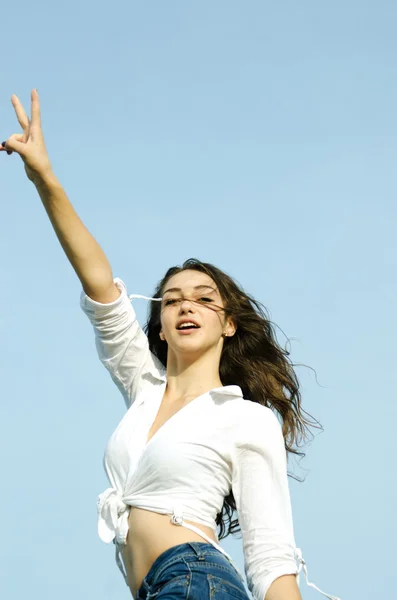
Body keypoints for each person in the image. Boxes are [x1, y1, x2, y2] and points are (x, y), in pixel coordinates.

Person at [2, 90, 341, 600]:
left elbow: (271, 555)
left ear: (228, 324)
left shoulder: (246, 419)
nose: (186, 306)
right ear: (159, 325)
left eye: (205, 299)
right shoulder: (143, 388)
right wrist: (45, 179)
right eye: (173, 300)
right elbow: (101, 289)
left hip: (195, 580)